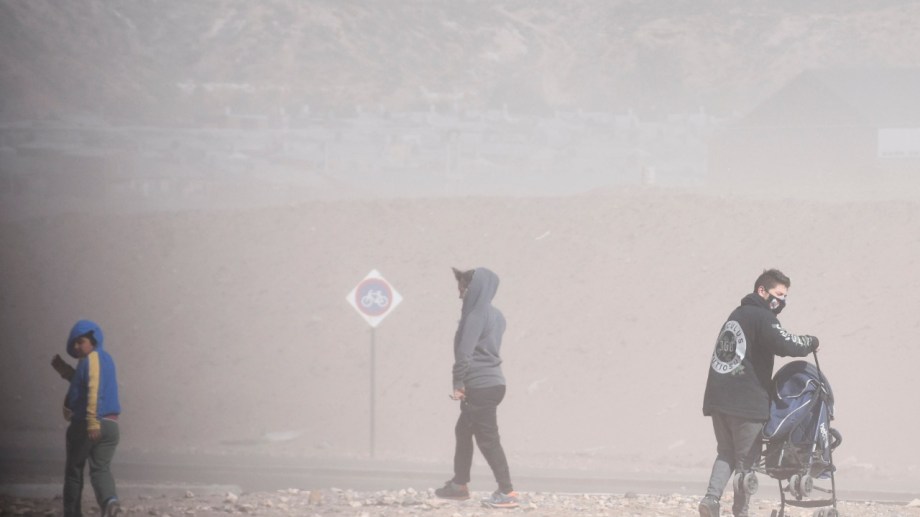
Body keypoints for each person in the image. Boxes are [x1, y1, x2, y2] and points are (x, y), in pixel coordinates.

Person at [698, 269, 820, 517]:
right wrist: (811, 342)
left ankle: (711, 499)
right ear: (761, 290)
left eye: (785, 296)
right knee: (747, 461)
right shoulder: (763, 317)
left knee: (726, 452)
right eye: (779, 294)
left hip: (718, 399)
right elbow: (784, 343)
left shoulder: (737, 315)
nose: (782, 301)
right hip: (746, 402)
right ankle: (740, 512)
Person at [435, 267, 518, 509]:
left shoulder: (475, 315)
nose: (460, 293)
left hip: (480, 385)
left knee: (488, 439)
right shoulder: (497, 315)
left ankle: (507, 492)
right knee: (463, 430)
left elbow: (465, 352)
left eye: (462, 288)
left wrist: (458, 383)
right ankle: (459, 485)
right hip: (495, 383)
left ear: (474, 288)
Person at [51, 319, 122, 517]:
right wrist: (65, 371)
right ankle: (110, 503)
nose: (76, 346)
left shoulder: (93, 359)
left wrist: (92, 421)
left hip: (88, 424)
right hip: (111, 425)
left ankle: (72, 513)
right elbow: (82, 382)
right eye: (74, 342)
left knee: (74, 471)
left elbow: (94, 390)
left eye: (80, 341)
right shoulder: (101, 360)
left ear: (93, 340)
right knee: (101, 469)